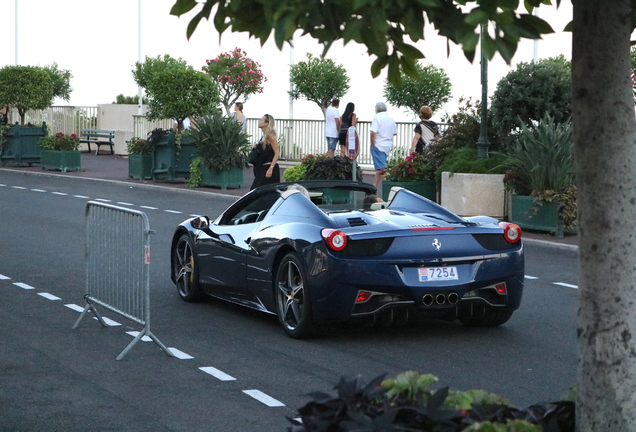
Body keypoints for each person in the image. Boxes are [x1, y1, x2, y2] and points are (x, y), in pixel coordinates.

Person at [369, 102, 397, 187]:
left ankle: (389, 184)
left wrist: (372, 143)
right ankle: (374, 185)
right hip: (387, 145)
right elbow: (394, 133)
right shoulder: (391, 118)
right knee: (381, 167)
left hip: (378, 144)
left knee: (380, 169)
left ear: (377, 109)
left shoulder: (377, 118)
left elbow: (373, 132)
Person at [250, 114, 280, 190]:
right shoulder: (264, 137)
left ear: (266, 123)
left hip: (268, 168)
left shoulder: (271, 136)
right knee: (258, 192)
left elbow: (276, 152)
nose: (259, 122)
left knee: (257, 191)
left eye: (261, 120)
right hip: (262, 168)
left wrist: (271, 168)